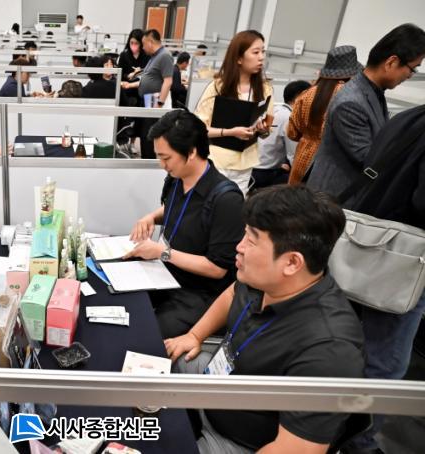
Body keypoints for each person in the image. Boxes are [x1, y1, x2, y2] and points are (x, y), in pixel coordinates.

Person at [166, 185, 364, 454]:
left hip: (237, 439)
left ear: (292, 263)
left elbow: (294, 449)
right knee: (149, 361)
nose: (239, 247)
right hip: (218, 382)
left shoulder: (329, 349)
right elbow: (233, 292)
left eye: (251, 240)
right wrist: (195, 335)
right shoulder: (263, 277)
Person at [338, 105, 425, 454]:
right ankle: (358, 442)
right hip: (405, 262)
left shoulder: (408, 117)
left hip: (369, 247)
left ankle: (332, 428)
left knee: (352, 346)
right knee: (387, 361)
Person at [126, 110, 244, 338]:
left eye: (166, 158)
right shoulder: (177, 179)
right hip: (165, 273)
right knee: (121, 300)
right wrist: (151, 217)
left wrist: (162, 252)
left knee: (147, 336)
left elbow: (217, 269)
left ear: (191, 152)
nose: (162, 165)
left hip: (198, 292)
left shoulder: (226, 200)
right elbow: (175, 208)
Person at [306, 24, 425, 200]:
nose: (410, 75)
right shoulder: (351, 102)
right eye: (412, 68)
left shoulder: (373, 91)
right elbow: (370, 159)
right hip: (334, 200)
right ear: (391, 62)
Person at [195, 30, 274, 194]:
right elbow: (199, 128)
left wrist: (262, 129)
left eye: (263, 51)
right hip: (217, 161)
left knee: (236, 204)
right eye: (256, 52)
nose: (261, 57)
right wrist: (231, 132)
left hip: (246, 163)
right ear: (239, 58)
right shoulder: (218, 87)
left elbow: (267, 128)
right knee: (212, 202)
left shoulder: (265, 89)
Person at [287, 46, 362, 185]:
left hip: (302, 159)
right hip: (330, 164)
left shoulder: (306, 94)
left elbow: (292, 133)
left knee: (295, 196)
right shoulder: (349, 96)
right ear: (352, 74)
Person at [121, 29, 174, 159]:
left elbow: (168, 82)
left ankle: (148, 161)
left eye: (144, 44)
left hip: (155, 99)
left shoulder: (165, 56)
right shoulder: (154, 57)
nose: (143, 47)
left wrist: (160, 103)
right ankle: (146, 158)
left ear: (150, 42)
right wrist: (130, 85)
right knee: (145, 134)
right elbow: (148, 78)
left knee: (149, 135)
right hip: (148, 99)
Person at [250, 80, 311, 190]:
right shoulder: (289, 117)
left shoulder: (274, 111)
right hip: (264, 174)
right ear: (299, 97)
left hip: (253, 169)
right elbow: (294, 156)